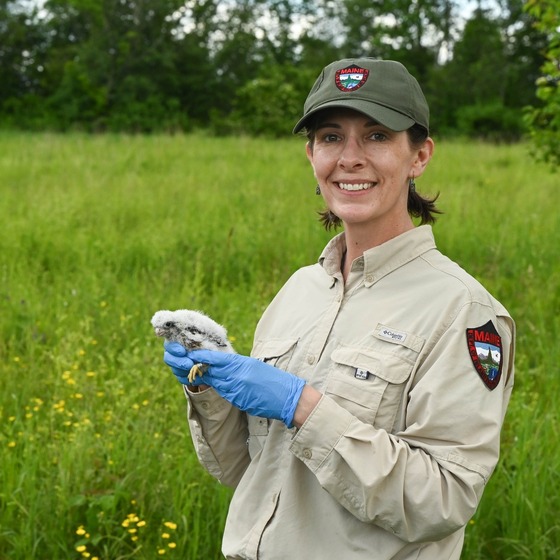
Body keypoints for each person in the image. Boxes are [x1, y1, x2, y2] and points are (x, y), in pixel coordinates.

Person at [163, 58, 515, 559]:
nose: (349, 158)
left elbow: (443, 498)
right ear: (310, 154)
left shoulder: (463, 311)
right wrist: (208, 385)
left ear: (419, 156)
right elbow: (242, 470)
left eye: (376, 136)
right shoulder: (300, 290)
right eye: (331, 137)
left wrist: (302, 407)